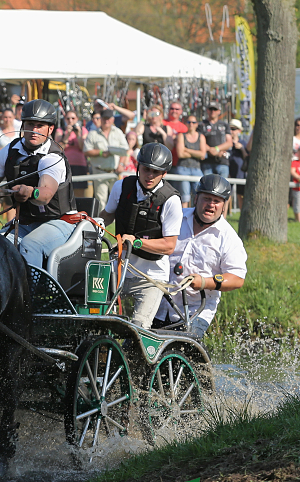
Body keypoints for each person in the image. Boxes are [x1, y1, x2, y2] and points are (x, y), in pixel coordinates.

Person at [0, 99, 77, 268]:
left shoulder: (52, 158)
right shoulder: (10, 151)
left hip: (60, 222)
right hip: (24, 223)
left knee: (30, 246)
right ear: (22, 124)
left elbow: (45, 194)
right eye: (30, 124)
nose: (34, 130)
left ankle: (32, 293)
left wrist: (32, 192)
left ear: (50, 129)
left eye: (40, 125)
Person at [99, 143, 182, 328]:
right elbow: (107, 215)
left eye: (156, 171)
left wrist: (136, 243)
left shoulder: (171, 201)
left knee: (138, 326)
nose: (150, 175)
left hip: (151, 277)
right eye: (146, 169)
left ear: (164, 173)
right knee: (98, 319)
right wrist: (91, 224)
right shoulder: (121, 186)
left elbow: (169, 246)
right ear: (138, 167)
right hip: (118, 270)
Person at [153, 175, 247, 337]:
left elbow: (237, 278)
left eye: (217, 201)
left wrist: (205, 282)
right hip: (157, 304)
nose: (211, 205)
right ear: (196, 199)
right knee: (133, 350)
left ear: (224, 205)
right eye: (207, 199)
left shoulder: (229, 238)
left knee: (183, 352)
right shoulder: (175, 218)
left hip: (196, 310)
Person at [84, 109, 128, 211]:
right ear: (100, 119)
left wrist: (121, 164)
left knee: (118, 198)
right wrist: (100, 153)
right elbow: (86, 151)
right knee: (101, 199)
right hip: (100, 171)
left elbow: (125, 150)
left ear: (112, 119)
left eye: (108, 119)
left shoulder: (118, 132)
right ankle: (101, 223)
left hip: (115, 172)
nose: (106, 121)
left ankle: (117, 222)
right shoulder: (93, 133)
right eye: (104, 118)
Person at [174, 114, 207, 207]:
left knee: (199, 196)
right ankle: (184, 217)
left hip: (196, 169)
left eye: (193, 122)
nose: (191, 124)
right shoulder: (181, 136)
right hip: (183, 168)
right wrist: (196, 153)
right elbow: (180, 154)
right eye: (189, 122)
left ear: (197, 124)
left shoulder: (201, 137)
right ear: (185, 123)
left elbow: (202, 155)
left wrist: (187, 149)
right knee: (184, 197)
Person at [57, 110, 90, 198]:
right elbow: (58, 149)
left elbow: (83, 148)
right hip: (64, 165)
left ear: (77, 119)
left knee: (79, 194)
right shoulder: (61, 130)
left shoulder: (83, 130)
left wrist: (78, 134)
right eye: (68, 118)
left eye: (73, 118)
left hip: (80, 165)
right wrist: (67, 135)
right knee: (64, 193)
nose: (70, 120)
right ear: (64, 119)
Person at [199, 103, 231, 178]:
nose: (213, 111)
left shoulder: (224, 125)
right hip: (207, 161)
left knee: (222, 187)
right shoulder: (201, 125)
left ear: (219, 111)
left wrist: (216, 149)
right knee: (208, 187)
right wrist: (211, 150)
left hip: (222, 161)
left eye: (215, 109)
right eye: (211, 109)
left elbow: (229, 143)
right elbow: (199, 140)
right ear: (207, 110)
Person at [227, 119, 248, 212]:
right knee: (227, 195)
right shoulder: (226, 143)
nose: (232, 131)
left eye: (234, 129)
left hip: (240, 172)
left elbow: (247, 158)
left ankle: (242, 215)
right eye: (230, 128)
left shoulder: (243, 143)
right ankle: (224, 217)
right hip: (229, 171)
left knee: (241, 195)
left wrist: (242, 149)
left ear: (239, 130)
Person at [291, 148, 300, 223]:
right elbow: (292, 171)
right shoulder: (295, 162)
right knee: (298, 203)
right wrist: (299, 177)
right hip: (297, 188)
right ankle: (299, 220)